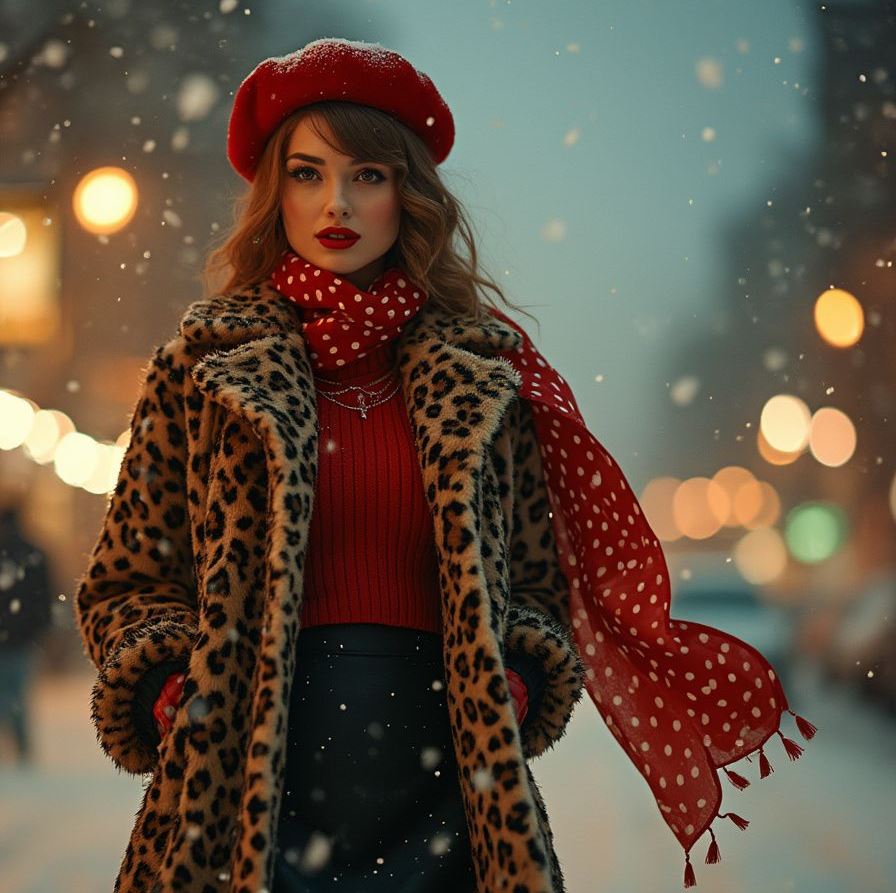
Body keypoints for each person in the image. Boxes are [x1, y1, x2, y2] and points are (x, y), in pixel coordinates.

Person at [74, 39, 815, 893]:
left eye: (369, 175)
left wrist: (521, 675)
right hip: (242, 792)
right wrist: (171, 686)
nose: (337, 203)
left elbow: (536, 585)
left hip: (446, 792)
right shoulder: (203, 370)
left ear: (409, 194)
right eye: (308, 174)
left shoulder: (483, 378)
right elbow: (126, 580)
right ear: (274, 194)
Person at [0, 502, 54, 765]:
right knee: (17, 693)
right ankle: (20, 744)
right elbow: (44, 597)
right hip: (21, 638)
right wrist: (38, 628)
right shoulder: (33, 553)